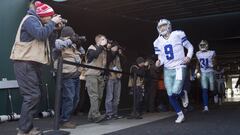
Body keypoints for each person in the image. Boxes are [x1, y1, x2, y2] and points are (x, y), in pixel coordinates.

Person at [9, 1, 62, 135]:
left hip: (33, 63)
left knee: (36, 96)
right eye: (49, 17)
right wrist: (51, 23)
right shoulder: (30, 20)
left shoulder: (39, 22)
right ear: (43, 15)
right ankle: (24, 130)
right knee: (32, 96)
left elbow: (49, 41)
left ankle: (27, 127)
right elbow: (40, 34)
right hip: (25, 63)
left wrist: (55, 28)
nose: (51, 19)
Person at [154, 19, 193, 123]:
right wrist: (158, 62)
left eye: (164, 25)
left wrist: (188, 57)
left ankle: (182, 94)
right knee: (170, 94)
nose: (162, 28)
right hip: (167, 69)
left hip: (180, 66)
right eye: (160, 26)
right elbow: (161, 58)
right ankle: (180, 114)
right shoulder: (157, 42)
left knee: (175, 91)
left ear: (169, 26)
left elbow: (190, 47)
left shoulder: (178, 34)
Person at [53, 26, 86, 128]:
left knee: (75, 99)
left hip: (76, 75)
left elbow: (83, 53)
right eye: (72, 35)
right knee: (69, 98)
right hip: (66, 75)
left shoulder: (73, 44)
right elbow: (58, 46)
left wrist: (79, 43)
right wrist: (71, 40)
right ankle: (64, 120)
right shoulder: (59, 41)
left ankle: (64, 117)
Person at [84, 34, 107, 123]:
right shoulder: (92, 47)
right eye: (103, 39)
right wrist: (100, 46)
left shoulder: (104, 50)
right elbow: (91, 57)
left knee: (100, 96)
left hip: (100, 75)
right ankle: (96, 115)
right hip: (91, 74)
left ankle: (91, 116)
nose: (105, 40)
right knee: (94, 96)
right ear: (98, 40)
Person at [195, 40, 216, 112]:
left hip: (210, 72)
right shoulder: (198, 53)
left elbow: (215, 61)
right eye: (201, 45)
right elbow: (198, 63)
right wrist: (196, 69)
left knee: (212, 89)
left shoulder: (211, 52)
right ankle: (206, 106)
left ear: (207, 45)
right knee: (204, 90)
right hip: (203, 73)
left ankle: (215, 95)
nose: (202, 47)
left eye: (204, 45)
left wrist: (213, 64)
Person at [105, 44, 123, 120]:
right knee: (109, 97)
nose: (116, 48)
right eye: (114, 47)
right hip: (110, 77)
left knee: (117, 97)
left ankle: (115, 113)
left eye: (117, 47)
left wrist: (120, 53)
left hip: (118, 78)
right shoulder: (107, 54)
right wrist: (110, 50)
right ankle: (109, 113)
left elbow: (123, 62)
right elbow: (107, 61)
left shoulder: (118, 56)